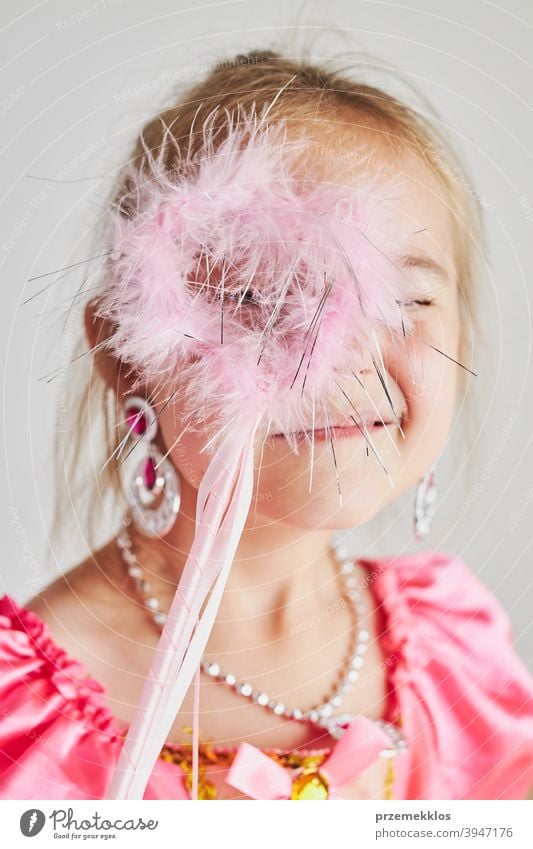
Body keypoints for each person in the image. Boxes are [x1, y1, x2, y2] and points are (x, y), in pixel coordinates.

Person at [1, 50, 533, 801]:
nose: (347, 362)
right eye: (262, 295)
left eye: (405, 303)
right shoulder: (22, 719)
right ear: (126, 353)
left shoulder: (459, 654)